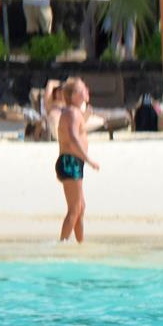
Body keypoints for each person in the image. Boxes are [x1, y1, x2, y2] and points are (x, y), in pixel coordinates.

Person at [54, 76, 99, 243]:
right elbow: (73, 137)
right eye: (82, 89)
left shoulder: (74, 112)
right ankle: (62, 243)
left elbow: (77, 128)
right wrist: (88, 159)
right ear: (73, 96)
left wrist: (85, 116)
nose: (86, 90)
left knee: (80, 207)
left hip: (73, 162)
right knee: (75, 208)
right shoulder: (72, 113)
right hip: (70, 162)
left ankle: (80, 243)